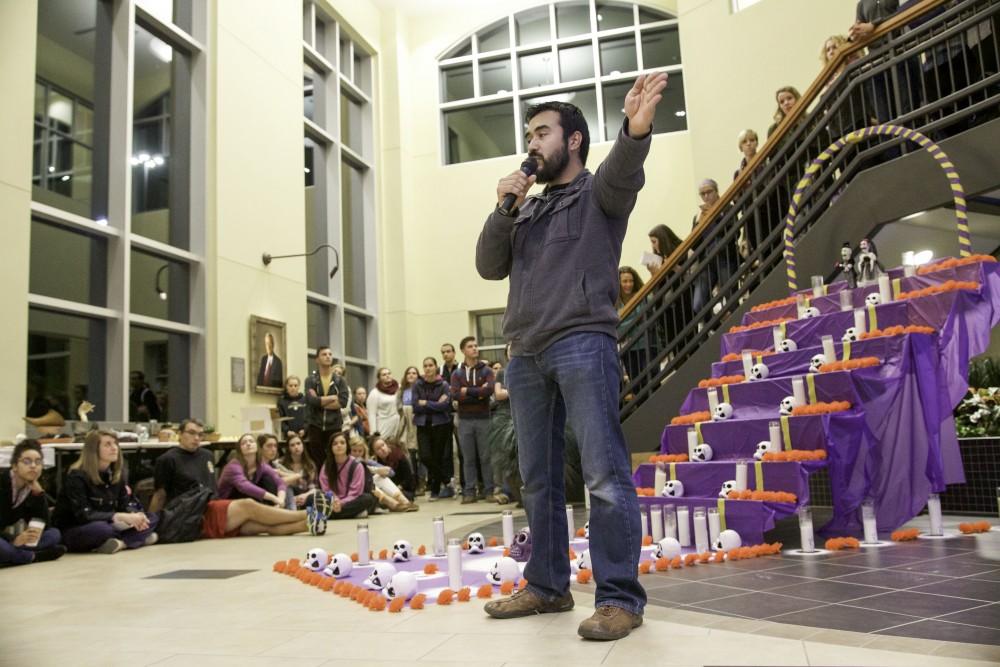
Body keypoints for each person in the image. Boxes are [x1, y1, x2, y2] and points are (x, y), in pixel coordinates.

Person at [475, 72, 666, 639]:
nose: (531, 143)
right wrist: (505, 206)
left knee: (604, 475)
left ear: (573, 140)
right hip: (525, 353)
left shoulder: (598, 193)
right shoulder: (525, 209)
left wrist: (635, 128)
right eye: (529, 134)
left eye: (541, 133)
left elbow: (625, 168)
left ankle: (619, 598)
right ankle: (547, 585)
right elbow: (488, 265)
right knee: (538, 480)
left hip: (583, 342)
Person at [149, 419, 327, 537]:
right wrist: (152, 524)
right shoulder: (168, 459)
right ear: (180, 434)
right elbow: (159, 495)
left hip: (212, 507)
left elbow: (277, 479)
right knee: (248, 505)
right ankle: (308, 513)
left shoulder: (206, 455)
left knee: (261, 526)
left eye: (200, 434)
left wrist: (279, 496)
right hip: (190, 513)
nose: (196, 438)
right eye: (191, 433)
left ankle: (310, 523)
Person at [54, 430, 158, 553]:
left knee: (151, 517)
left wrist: (134, 515)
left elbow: (124, 505)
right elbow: (84, 515)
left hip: (110, 522)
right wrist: (118, 516)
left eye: (115, 444)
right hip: (77, 528)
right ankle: (138, 539)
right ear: (94, 450)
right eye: (107, 444)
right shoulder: (77, 477)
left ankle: (122, 543)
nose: (114, 448)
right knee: (103, 529)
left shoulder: (116, 475)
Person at [0, 440, 67, 565]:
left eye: (38, 461)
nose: (33, 466)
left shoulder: (31, 489)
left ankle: (13, 555)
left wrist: (39, 495)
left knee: (54, 534)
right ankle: (32, 556)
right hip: (4, 539)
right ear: (14, 466)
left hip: (9, 541)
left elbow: (45, 525)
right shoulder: (2, 483)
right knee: (2, 547)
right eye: (26, 461)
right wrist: (13, 539)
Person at [451, 336, 496, 504]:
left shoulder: (486, 371)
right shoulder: (457, 373)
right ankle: (469, 492)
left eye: (476, 346)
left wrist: (466, 391)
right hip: (465, 420)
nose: (475, 349)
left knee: (486, 457)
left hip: (484, 418)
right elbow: (455, 394)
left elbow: (489, 390)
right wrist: (477, 392)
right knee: (468, 458)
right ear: (463, 350)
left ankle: (489, 491)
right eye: (470, 346)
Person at [691, 179, 739, 316]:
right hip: (706, 261)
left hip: (725, 258)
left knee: (731, 298)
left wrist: (714, 216)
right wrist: (699, 225)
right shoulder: (698, 217)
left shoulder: (727, 208)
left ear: (716, 192)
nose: (706, 197)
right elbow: (694, 245)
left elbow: (734, 233)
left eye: (709, 192)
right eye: (702, 194)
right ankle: (714, 327)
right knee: (698, 304)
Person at [413, 356, 454, 500]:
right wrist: (435, 404)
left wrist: (426, 403)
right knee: (425, 457)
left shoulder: (443, 384)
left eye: (431, 365)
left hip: (440, 424)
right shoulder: (418, 384)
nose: (428, 368)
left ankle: (435, 491)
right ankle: (447, 480)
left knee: (437, 457)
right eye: (425, 366)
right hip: (423, 425)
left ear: (436, 367)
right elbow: (416, 405)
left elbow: (445, 406)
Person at [303, 346, 350, 471]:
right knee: (317, 459)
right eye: (324, 354)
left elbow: (343, 402)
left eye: (330, 354)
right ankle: (320, 485)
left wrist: (320, 400)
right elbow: (311, 401)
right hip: (315, 425)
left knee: (334, 457)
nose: (328, 356)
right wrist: (332, 398)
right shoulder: (310, 380)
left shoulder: (340, 380)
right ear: (317, 359)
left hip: (334, 424)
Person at [218, 433, 288, 507]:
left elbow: (280, 482)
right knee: (250, 493)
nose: (248, 444)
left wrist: (281, 499)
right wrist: (274, 498)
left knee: (268, 480)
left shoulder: (261, 465)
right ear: (240, 449)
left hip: (247, 500)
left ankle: (277, 509)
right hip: (227, 503)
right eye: (244, 443)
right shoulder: (233, 466)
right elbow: (244, 487)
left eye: (251, 441)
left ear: (257, 447)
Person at [319, 432, 377, 519]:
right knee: (312, 498)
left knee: (367, 498)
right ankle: (351, 513)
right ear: (331, 447)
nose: (339, 445)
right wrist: (334, 500)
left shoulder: (356, 465)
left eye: (342, 443)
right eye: (335, 443)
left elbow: (355, 492)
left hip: (350, 501)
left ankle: (331, 514)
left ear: (347, 446)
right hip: (332, 501)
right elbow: (326, 488)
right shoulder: (326, 465)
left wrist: (341, 503)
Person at [487, 344, 516, 505]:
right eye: (509, 350)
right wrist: (517, 390)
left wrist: (509, 391)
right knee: (505, 456)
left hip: (523, 415)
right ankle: (506, 491)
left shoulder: (527, 371)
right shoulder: (502, 373)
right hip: (505, 417)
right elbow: (498, 394)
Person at [259, 433, 302, 510]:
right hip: (264, 501)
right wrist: (296, 476)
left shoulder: (275, 465)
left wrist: (280, 472)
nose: (273, 449)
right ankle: (292, 513)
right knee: (286, 486)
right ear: (261, 448)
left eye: (275, 446)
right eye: (269, 446)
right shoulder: (258, 466)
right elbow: (276, 484)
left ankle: (292, 513)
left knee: (288, 486)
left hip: (279, 500)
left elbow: (297, 479)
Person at [371, 434, 418, 503]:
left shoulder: (399, 456)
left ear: (386, 444)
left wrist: (396, 488)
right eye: (378, 449)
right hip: (386, 489)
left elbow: (409, 479)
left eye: (383, 445)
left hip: (404, 489)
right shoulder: (375, 462)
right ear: (374, 452)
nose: (382, 449)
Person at [276, 433, 318, 508]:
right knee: (288, 487)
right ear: (288, 448)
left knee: (318, 495)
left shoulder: (310, 464)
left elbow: (314, 487)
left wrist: (304, 496)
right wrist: (292, 499)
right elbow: (279, 483)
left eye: (298, 443)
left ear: (303, 445)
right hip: (286, 495)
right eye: (292, 445)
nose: (296, 447)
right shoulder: (280, 463)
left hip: (304, 497)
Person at [398, 365, 421, 491]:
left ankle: (423, 481)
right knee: (410, 454)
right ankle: (413, 481)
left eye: (414, 373)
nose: (411, 375)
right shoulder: (402, 391)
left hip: (418, 423)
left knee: (421, 454)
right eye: (409, 373)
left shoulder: (421, 389)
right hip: (406, 425)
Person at [367, 367, 402, 439]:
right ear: (379, 378)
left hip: (397, 423)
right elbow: (371, 414)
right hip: (383, 424)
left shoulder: (398, 388)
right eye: (384, 374)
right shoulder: (375, 393)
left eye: (389, 373)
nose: (387, 375)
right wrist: (373, 433)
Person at [276, 375, 307, 440]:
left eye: (295, 385)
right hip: (288, 435)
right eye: (290, 386)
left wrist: (305, 429)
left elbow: (309, 417)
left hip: (304, 435)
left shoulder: (305, 400)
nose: (293, 388)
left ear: (299, 387)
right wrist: (287, 431)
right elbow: (280, 418)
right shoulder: (281, 401)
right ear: (287, 387)